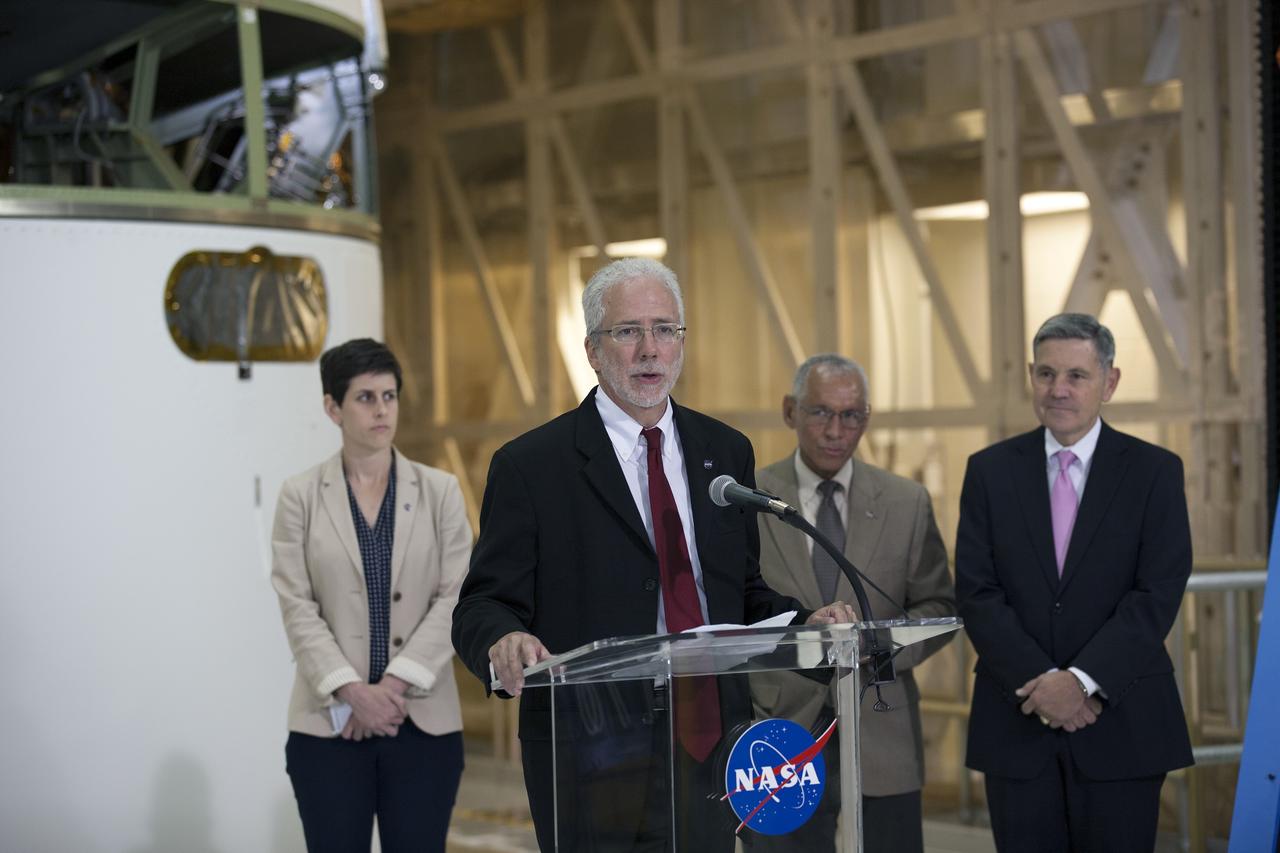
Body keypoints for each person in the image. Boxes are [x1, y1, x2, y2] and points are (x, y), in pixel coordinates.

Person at [451, 257, 854, 851]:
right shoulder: (532, 467)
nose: (649, 350)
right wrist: (501, 641)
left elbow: (739, 592)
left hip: (710, 747)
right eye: (628, 331)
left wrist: (803, 624)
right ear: (592, 349)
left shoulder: (725, 451)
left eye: (665, 330)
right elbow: (482, 603)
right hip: (591, 754)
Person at [956, 313, 1194, 852]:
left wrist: (1082, 682)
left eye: (1076, 376)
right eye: (1045, 374)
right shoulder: (989, 471)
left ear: (1109, 381)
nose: (1057, 390)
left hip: (1122, 725)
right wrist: (1043, 682)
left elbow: (1157, 592)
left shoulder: (1155, 472)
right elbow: (977, 589)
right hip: (1017, 725)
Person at [748, 354, 956, 853]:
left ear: (867, 417)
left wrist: (874, 645)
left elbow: (937, 607)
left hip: (881, 729)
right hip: (779, 736)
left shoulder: (907, 503)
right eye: (820, 412)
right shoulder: (750, 500)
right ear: (789, 411)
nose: (836, 430)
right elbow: (733, 611)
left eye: (851, 415)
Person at [271, 338, 472, 853]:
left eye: (389, 395)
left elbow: (455, 597)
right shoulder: (299, 496)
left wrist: (393, 688)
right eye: (365, 397)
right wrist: (352, 692)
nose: (382, 409)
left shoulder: (441, 491)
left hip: (422, 721)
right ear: (332, 408)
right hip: (331, 725)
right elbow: (297, 605)